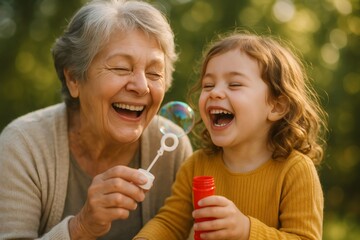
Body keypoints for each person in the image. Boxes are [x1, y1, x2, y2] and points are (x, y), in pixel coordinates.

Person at [0, 0, 193, 239]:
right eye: (121, 68)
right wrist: (81, 227)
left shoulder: (172, 149)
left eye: (154, 73)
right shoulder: (23, 145)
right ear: (73, 79)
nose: (142, 86)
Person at [134, 31, 328, 240]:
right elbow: (170, 223)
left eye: (234, 84)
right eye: (208, 85)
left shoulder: (296, 170)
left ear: (276, 106)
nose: (215, 92)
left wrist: (246, 231)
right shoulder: (197, 165)